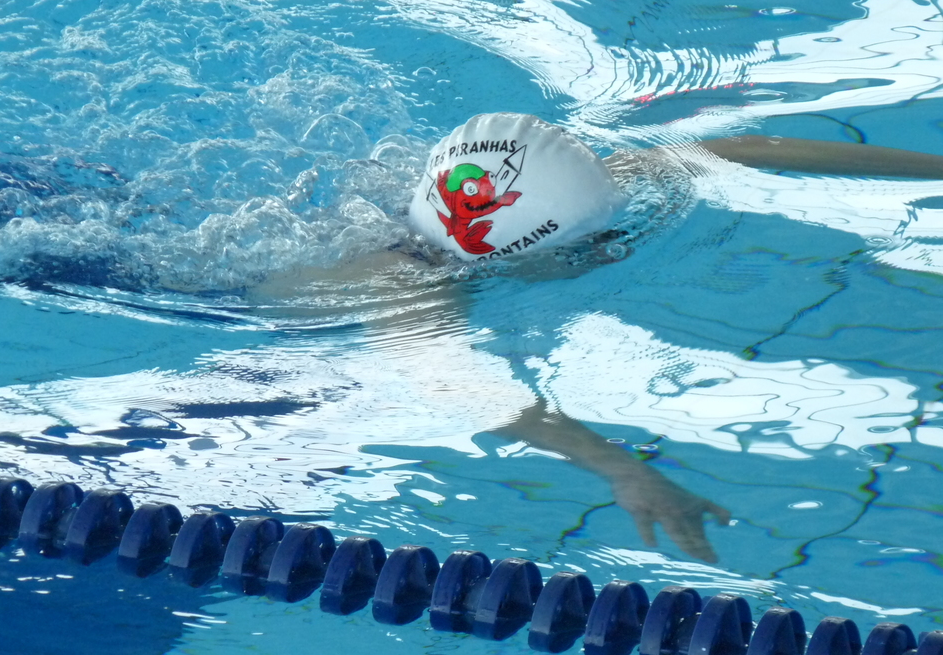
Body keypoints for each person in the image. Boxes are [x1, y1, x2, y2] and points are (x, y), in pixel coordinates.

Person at [323, 113, 943, 563]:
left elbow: (742, 150)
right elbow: (448, 381)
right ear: (500, 246)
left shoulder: (532, 208)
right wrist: (625, 471)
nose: (613, 253)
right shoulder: (404, 288)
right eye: (588, 246)